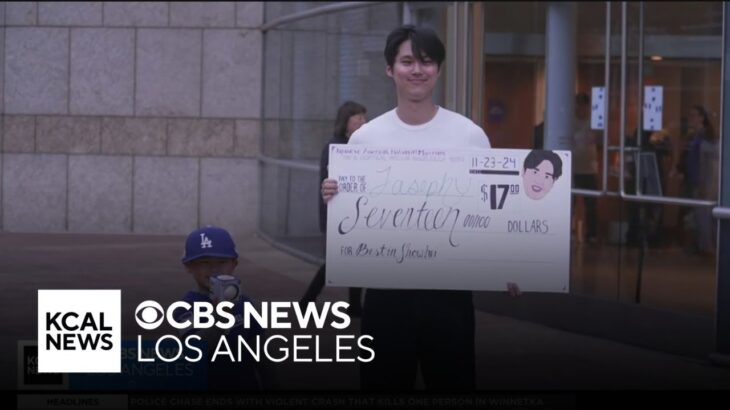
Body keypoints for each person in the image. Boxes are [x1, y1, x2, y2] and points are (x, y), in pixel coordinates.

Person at [320, 24, 521, 391]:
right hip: (384, 296)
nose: (417, 70)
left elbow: (493, 211)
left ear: (439, 69)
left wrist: (511, 264)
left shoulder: (470, 135)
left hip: (450, 297)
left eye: (426, 62)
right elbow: (351, 206)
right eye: (407, 61)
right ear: (389, 69)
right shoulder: (365, 138)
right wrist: (335, 193)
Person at [174, 225, 272, 390]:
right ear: (188, 266)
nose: (214, 268)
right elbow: (194, 350)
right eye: (204, 262)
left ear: (234, 264)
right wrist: (220, 320)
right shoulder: (186, 307)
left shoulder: (246, 303)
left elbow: (262, 354)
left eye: (222, 261)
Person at [300, 101, 367, 316]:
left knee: (351, 261)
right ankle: (307, 301)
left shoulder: (354, 146)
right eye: (358, 119)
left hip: (351, 214)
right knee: (336, 262)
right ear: (346, 122)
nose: (363, 123)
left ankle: (353, 306)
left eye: (364, 118)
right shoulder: (336, 147)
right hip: (338, 214)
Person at [678, 106, 719, 254]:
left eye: (694, 116)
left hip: (703, 185)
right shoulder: (694, 137)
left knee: (704, 217)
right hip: (694, 181)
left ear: (702, 118)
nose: (692, 119)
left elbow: (710, 165)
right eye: (690, 116)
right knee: (697, 217)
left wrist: (706, 185)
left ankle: (709, 248)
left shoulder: (706, 138)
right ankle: (703, 246)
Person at [572, 92, 599, 243]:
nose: (581, 108)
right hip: (573, 169)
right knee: (570, 203)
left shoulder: (594, 123)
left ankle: (591, 235)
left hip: (589, 170)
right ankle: (569, 231)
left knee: (591, 204)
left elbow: (601, 140)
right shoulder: (570, 123)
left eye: (584, 105)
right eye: (579, 104)